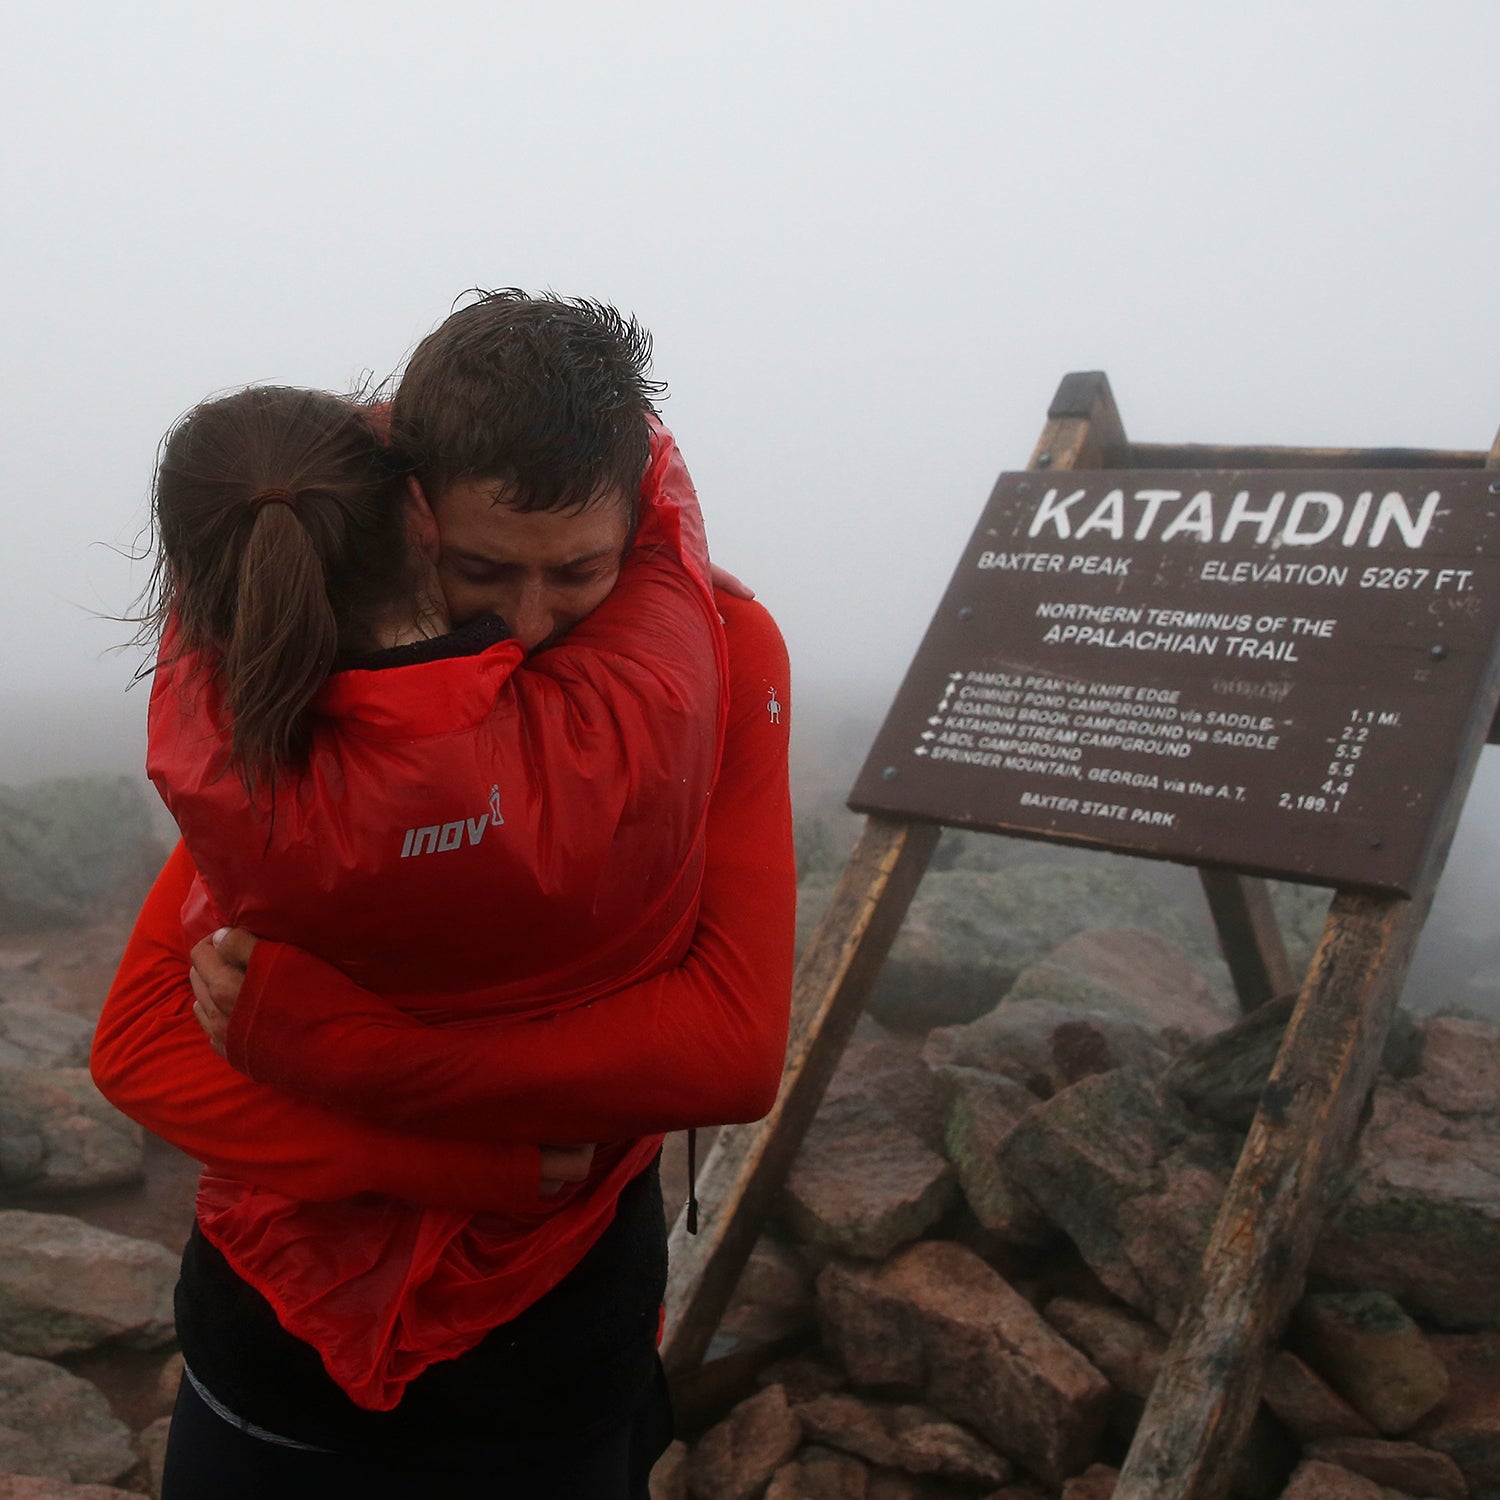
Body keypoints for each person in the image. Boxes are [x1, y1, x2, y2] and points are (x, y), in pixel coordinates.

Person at [92, 292, 795, 1498]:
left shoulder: (726, 657)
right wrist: (465, 1162)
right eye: (482, 571)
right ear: (411, 519)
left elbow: (728, 1051)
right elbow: (145, 1040)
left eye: (581, 570)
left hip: (550, 1359)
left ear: (640, 520)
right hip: (274, 1350)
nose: (526, 625)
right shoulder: (332, 680)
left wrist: (343, 1051)